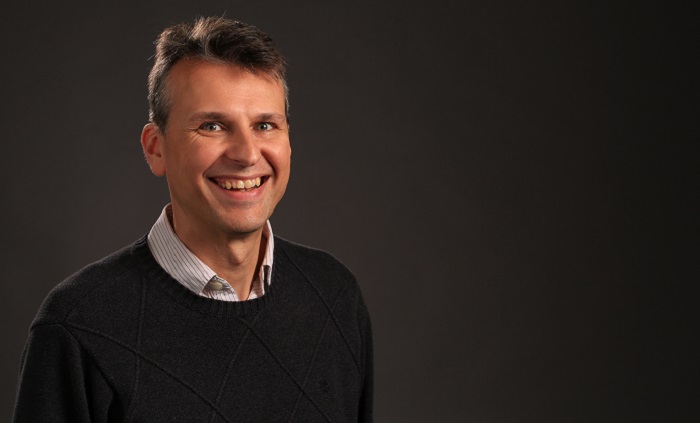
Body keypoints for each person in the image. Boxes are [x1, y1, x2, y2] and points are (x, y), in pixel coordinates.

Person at [13, 16, 373, 422]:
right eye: (212, 126)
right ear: (156, 148)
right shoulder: (78, 327)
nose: (246, 154)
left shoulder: (334, 296)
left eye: (265, 125)